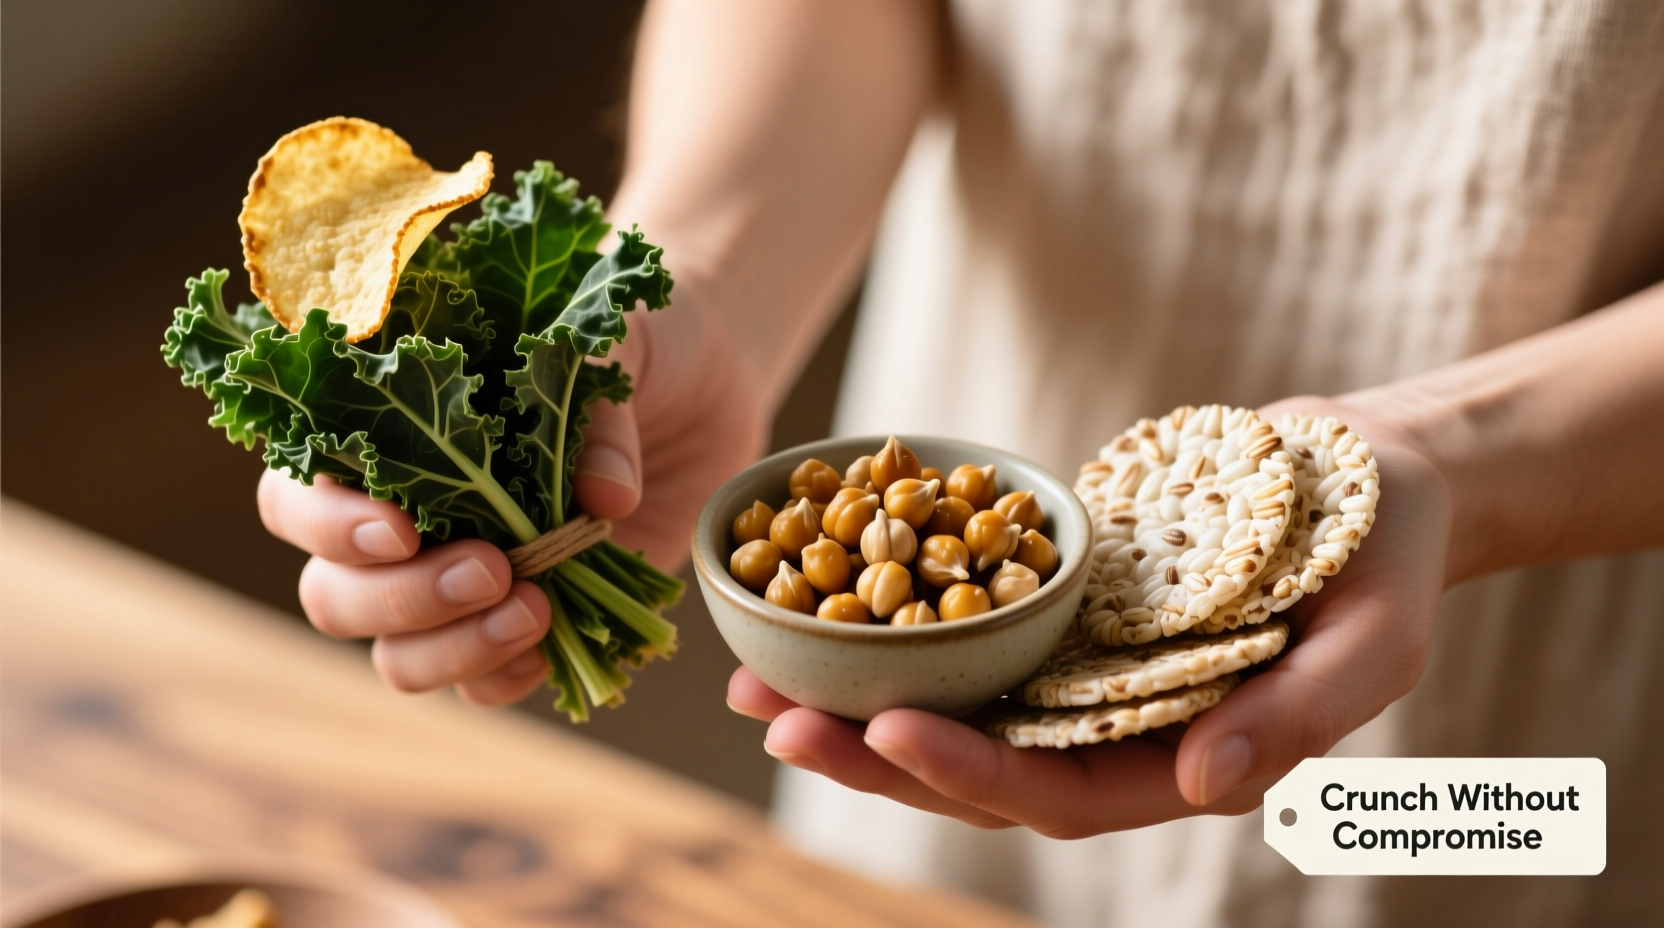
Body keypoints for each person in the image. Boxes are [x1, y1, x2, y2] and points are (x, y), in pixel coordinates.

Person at [258, 2, 1664, 924]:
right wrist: (705, 289)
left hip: (1550, 617)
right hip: (970, 560)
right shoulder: (893, 543)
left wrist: (1465, 461)